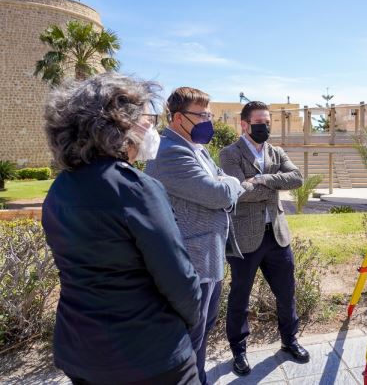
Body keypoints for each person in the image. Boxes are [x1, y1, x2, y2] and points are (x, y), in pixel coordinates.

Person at [42, 73, 204, 385]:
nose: (151, 127)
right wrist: (190, 321)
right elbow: (179, 279)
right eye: (148, 118)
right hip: (148, 355)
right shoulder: (135, 189)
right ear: (121, 126)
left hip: (80, 351)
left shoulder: (60, 188)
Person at [145, 87, 245, 385]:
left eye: (209, 115)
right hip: (191, 262)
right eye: (201, 115)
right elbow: (216, 192)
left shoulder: (195, 148)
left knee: (202, 330)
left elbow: (218, 183)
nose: (208, 121)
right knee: (189, 336)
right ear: (178, 118)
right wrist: (230, 184)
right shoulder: (170, 151)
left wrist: (223, 184)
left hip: (209, 257)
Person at [219, 101, 308, 376]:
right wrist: (271, 185)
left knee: (286, 292)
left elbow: (297, 178)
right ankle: (239, 351)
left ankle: (289, 340)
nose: (264, 127)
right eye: (259, 122)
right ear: (244, 124)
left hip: (277, 235)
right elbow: (239, 193)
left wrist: (261, 179)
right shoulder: (229, 154)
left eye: (268, 122)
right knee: (240, 296)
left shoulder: (275, 151)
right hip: (245, 237)